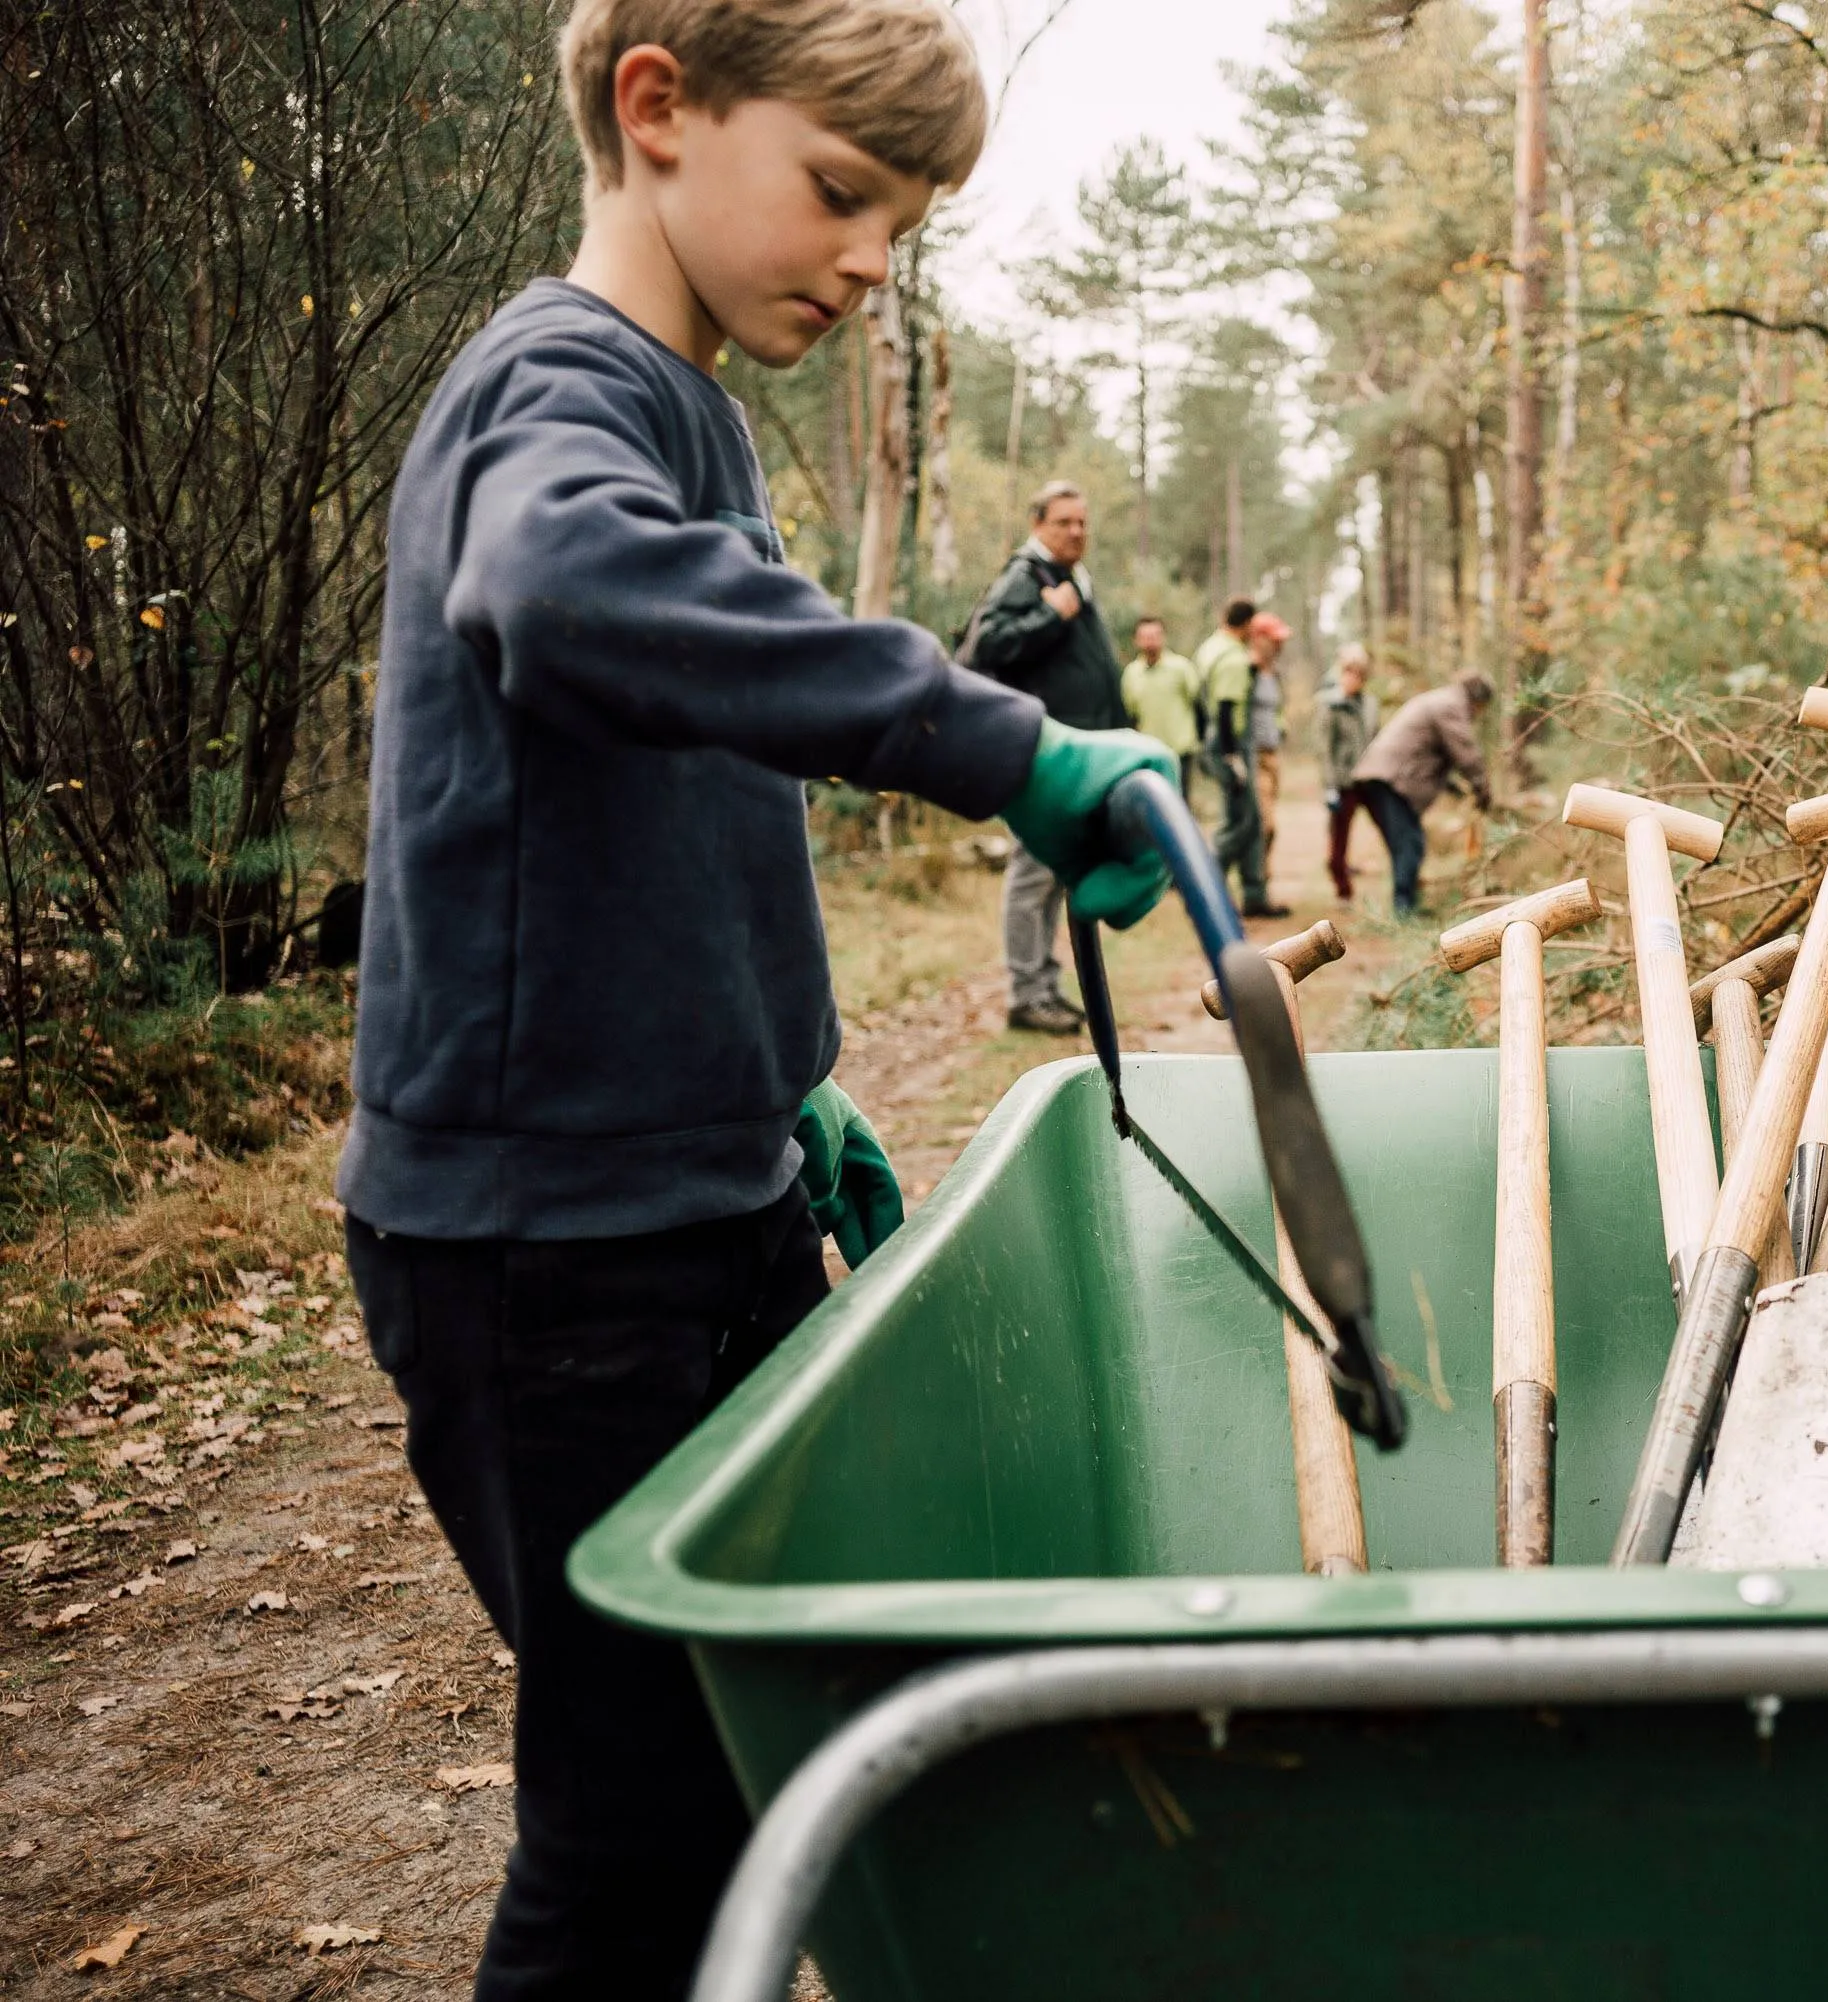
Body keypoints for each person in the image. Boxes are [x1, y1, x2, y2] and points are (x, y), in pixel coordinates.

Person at [337, 6, 1175, 1995]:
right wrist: (1003, 746)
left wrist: (779, 1085)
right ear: (658, 109)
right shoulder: (551, 388)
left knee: (752, 1770)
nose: (873, 260)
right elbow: (562, 591)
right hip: (545, 1251)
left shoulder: (694, 415)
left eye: (905, 224)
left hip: (699, 1195)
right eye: (841, 192)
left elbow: (683, 807)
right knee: (635, 1829)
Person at [957, 480, 1131, 1033]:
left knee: (1055, 872)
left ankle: (1044, 988)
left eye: (1082, 522)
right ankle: (1026, 994)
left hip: (1077, 751)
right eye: (1063, 522)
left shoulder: (1069, 576)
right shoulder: (1026, 575)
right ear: (1038, 526)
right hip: (1044, 752)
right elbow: (986, 645)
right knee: (1034, 871)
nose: (1076, 531)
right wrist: (1050, 616)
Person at [1346, 667, 1491, 917]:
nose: (1479, 714)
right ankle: (1404, 910)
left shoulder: (1441, 700)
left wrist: (1454, 787)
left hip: (1384, 775)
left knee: (1407, 843)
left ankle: (1407, 903)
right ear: (1477, 698)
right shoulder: (1450, 705)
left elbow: (1427, 751)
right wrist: (1483, 788)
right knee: (1410, 843)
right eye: (1481, 707)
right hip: (1392, 779)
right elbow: (1465, 753)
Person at [1195, 598, 1285, 916]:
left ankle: (1254, 895)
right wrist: (1232, 757)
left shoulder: (1210, 648)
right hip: (1230, 743)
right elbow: (1225, 709)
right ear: (1246, 624)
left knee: (1250, 819)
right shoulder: (1233, 659)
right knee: (1242, 823)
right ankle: (1206, 887)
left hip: (1216, 740)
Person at [1120, 613, 1202, 801]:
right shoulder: (1131, 673)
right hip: (1149, 751)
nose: (1150, 642)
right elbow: (1131, 715)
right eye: (1145, 637)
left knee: (1180, 802)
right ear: (1136, 640)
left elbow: (1197, 704)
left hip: (1180, 749)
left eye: (1154, 636)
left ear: (1163, 637)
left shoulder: (1181, 667)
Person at [1320, 643, 1379, 901]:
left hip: (1368, 779)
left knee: (1390, 825)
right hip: (1343, 781)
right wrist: (1330, 786)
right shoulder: (1331, 706)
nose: (1351, 679)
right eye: (1347, 673)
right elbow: (1325, 750)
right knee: (1339, 839)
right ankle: (1342, 888)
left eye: (1356, 675)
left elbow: (1376, 738)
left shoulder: (1370, 705)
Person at [1244, 611, 1292, 910]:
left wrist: (1281, 727)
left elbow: (1276, 711)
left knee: (1269, 825)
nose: (1279, 645)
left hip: (1272, 755)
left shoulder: (1274, 673)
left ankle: (1261, 887)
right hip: (1254, 755)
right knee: (1265, 824)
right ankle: (1255, 889)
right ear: (1259, 639)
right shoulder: (1245, 670)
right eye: (1275, 639)